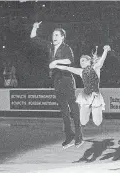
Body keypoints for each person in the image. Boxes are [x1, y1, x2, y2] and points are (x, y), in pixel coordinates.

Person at [30, 21, 82, 149]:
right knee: (64, 111)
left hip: (67, 81)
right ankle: (69, 135)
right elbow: (33, 38)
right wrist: (34, 27)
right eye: (53, 35)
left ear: (62, 37)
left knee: (74, 109)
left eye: (57, 35)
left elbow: (70, 60)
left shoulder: (66, 48)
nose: (54, 37)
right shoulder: (49, 46)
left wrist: (56, 62)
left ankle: (79, 136)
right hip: (57, 81)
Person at [54, 45, 110, 128]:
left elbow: (101, 60)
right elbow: (67, 68)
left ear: (89, 61)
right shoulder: (80, 71)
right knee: (83, 122)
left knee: (97, 122)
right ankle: (88, 109)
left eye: (83, 60)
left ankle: (95, 110)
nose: (81, 62)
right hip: (86, 95)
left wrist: (105, 50)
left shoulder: (95, 68)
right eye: (80, 61)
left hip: (96, 95)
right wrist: (56, 65)